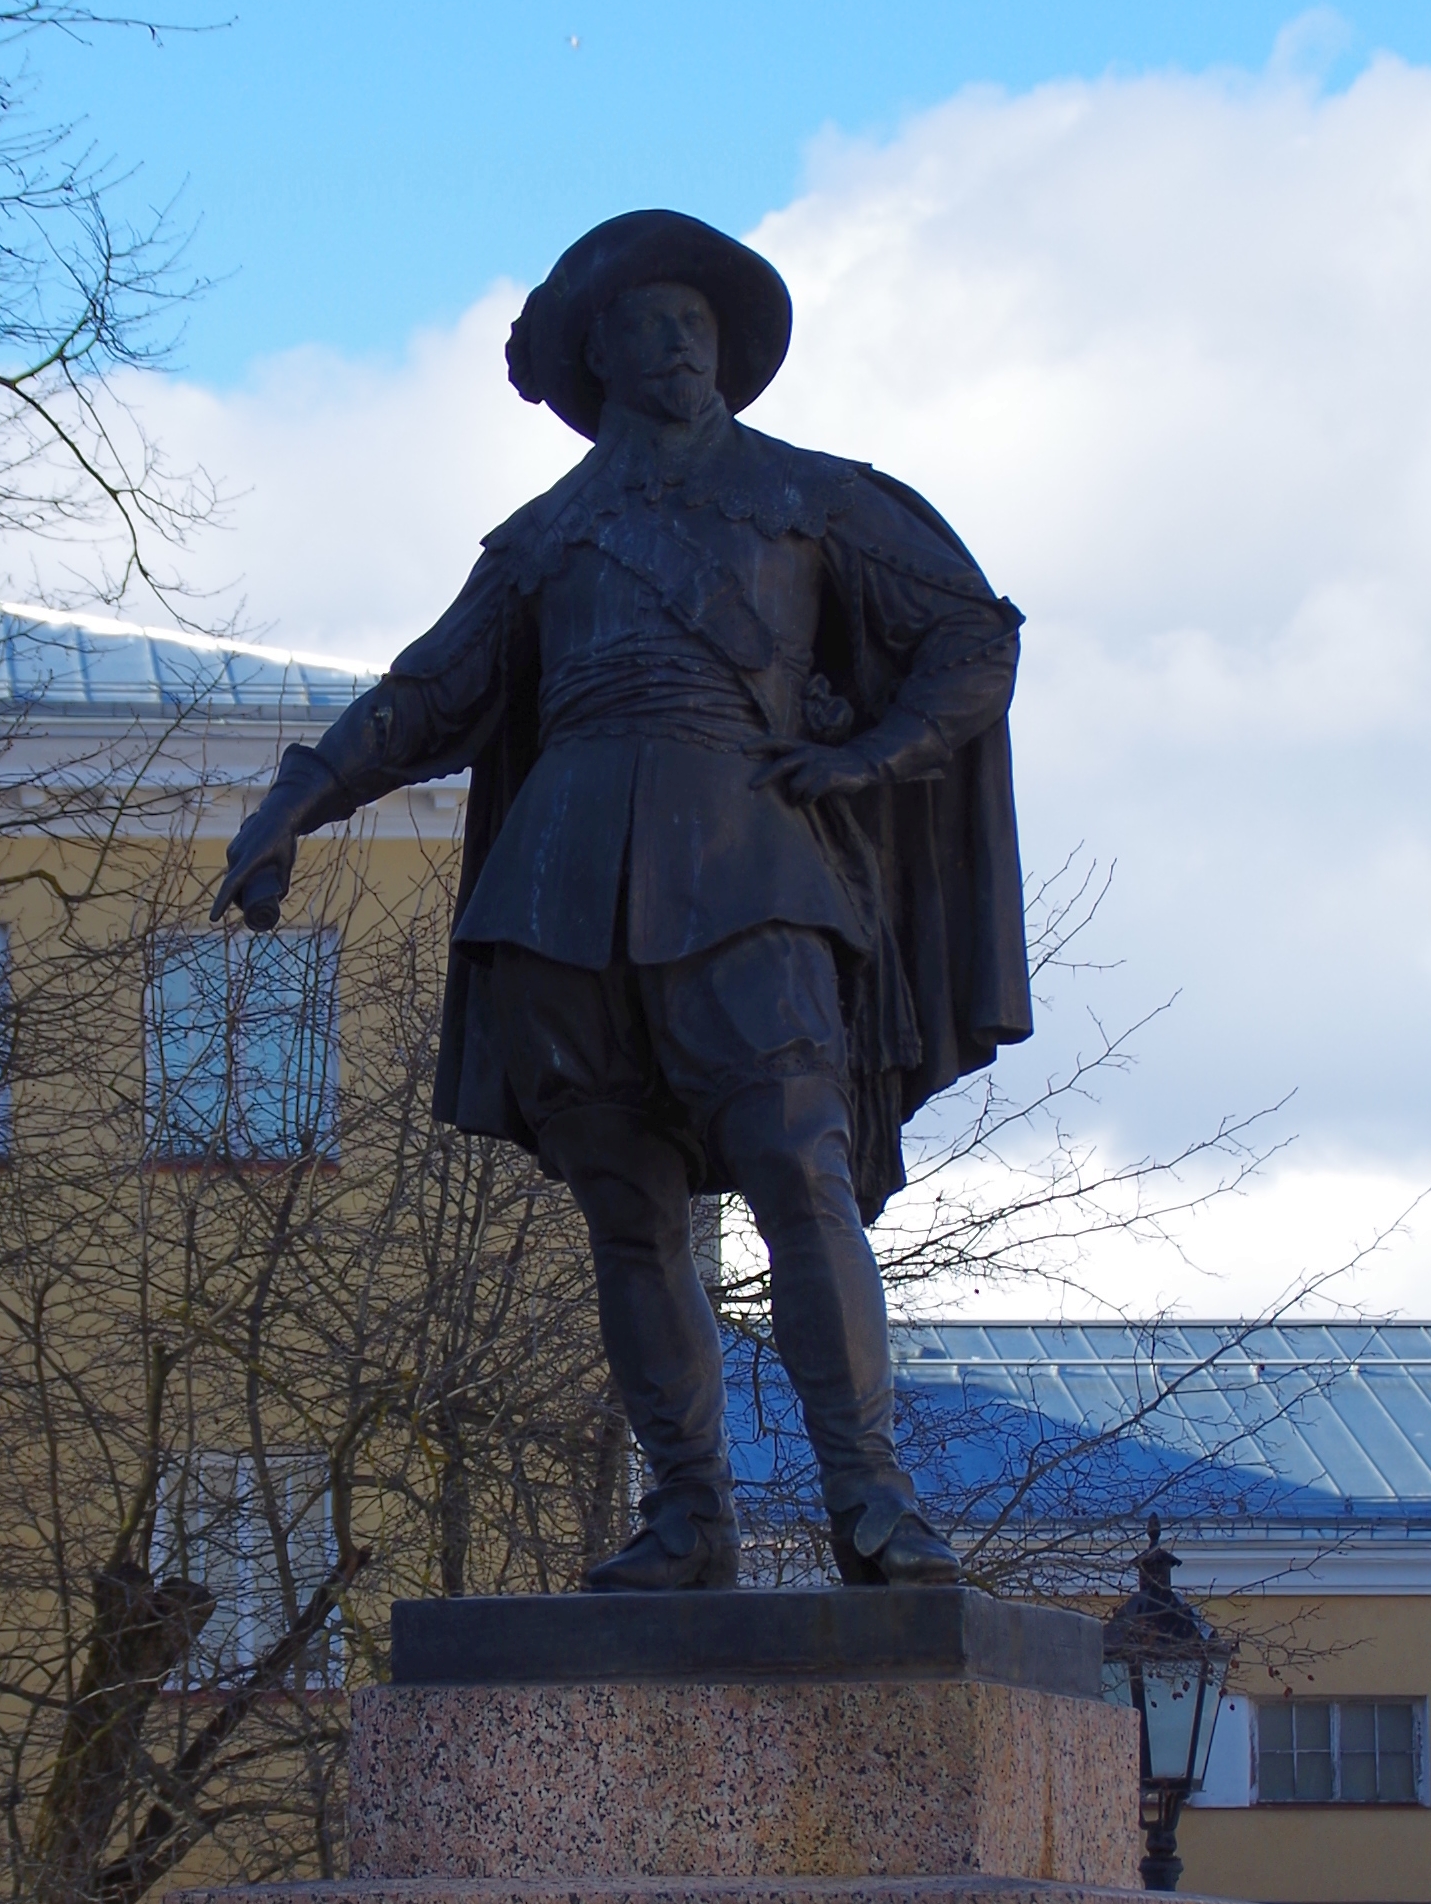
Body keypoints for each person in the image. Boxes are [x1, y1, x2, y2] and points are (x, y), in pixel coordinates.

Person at [211, 206, 1028, 1593]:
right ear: (597, 357)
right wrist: (297, 799)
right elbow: (430, 695)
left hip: (750, 864)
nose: (678, 351)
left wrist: (865, 758)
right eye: (648, 328)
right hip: (563, 888)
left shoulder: (815, 497)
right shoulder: (546, 538)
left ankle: (873, 1506)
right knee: (630, 1212)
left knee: (798, 1169)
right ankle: (686, 1518)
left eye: (695, 327)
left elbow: (970, 636)